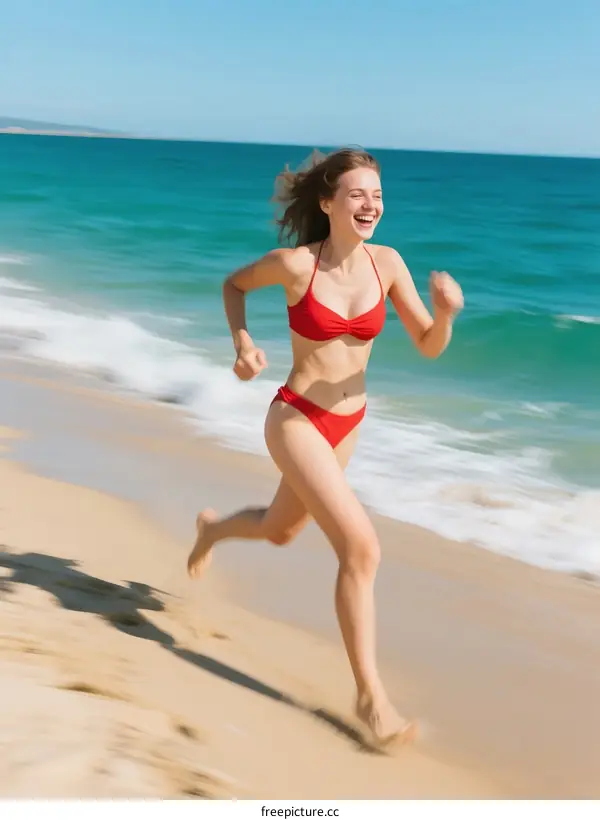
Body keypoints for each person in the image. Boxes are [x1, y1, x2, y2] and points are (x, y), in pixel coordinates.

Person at [187, 147, 464, 749]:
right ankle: (372, 701)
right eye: (359, 194)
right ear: (328, 202)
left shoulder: (387, 264)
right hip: (296, 419)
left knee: (282, 530)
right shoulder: (294, 265)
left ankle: (212, 530)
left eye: (379, 196)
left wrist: (444, 316)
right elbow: (233, 285)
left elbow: (428, 344)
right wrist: (242, 343)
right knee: (361, 549)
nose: (372, 205)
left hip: (350, 424)